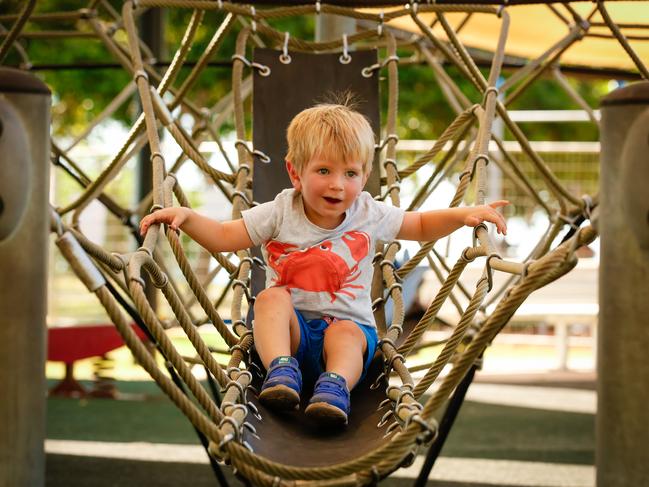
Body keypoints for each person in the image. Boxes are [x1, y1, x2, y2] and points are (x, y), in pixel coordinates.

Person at [139, 102, 508, 426]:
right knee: (269, 299)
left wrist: (463, 215)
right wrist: (187, 217)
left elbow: (421, 224)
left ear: (364, 177)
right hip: (292, 336)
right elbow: (224, 235)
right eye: (324, 171)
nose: (338, 185)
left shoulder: (367, 211)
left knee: (346, 332)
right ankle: (280, 371)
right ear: (295, 173)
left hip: (347, 343)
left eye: (351, 173)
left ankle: (334, 389)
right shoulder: (280, 211)